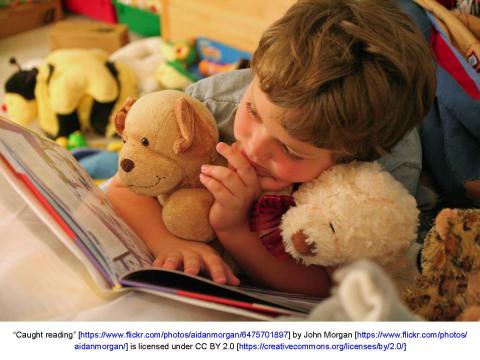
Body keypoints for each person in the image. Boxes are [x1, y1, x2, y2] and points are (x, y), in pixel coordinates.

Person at [107, 0, 436, 297]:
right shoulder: (208, 108)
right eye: (252, 111)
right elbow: (123, 189)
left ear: (351, 155)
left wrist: (233, 227)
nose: (254, 148)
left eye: (291, 151)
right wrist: (168, 243)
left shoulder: (379, 179)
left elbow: (332, 288)